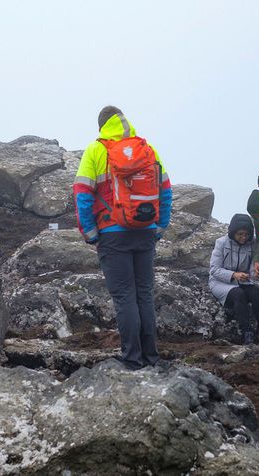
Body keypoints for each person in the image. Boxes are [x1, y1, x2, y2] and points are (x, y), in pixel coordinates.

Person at [73, 106, 172, 370]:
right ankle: (151, 358)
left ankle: (132, 360)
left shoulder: (96, 150)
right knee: (144, 295)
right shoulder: (147, 149)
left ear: (102, 126)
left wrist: (90, 233)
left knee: (125, 297)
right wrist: (159, 226)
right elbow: (165, 190)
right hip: (145, 232)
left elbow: (82, 193)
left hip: (113, 235)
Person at [209, 213, 259, 346]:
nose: (244, 237)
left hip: (243, 280)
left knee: (255, 293)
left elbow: (252, 269)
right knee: (239, 294)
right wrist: (233, 275)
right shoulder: (221, 243)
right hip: (220, 282)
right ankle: (246, 333)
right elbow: (214, 270)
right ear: (233, 232)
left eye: (246, 234)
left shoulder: (252, 243)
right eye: (240, 234)